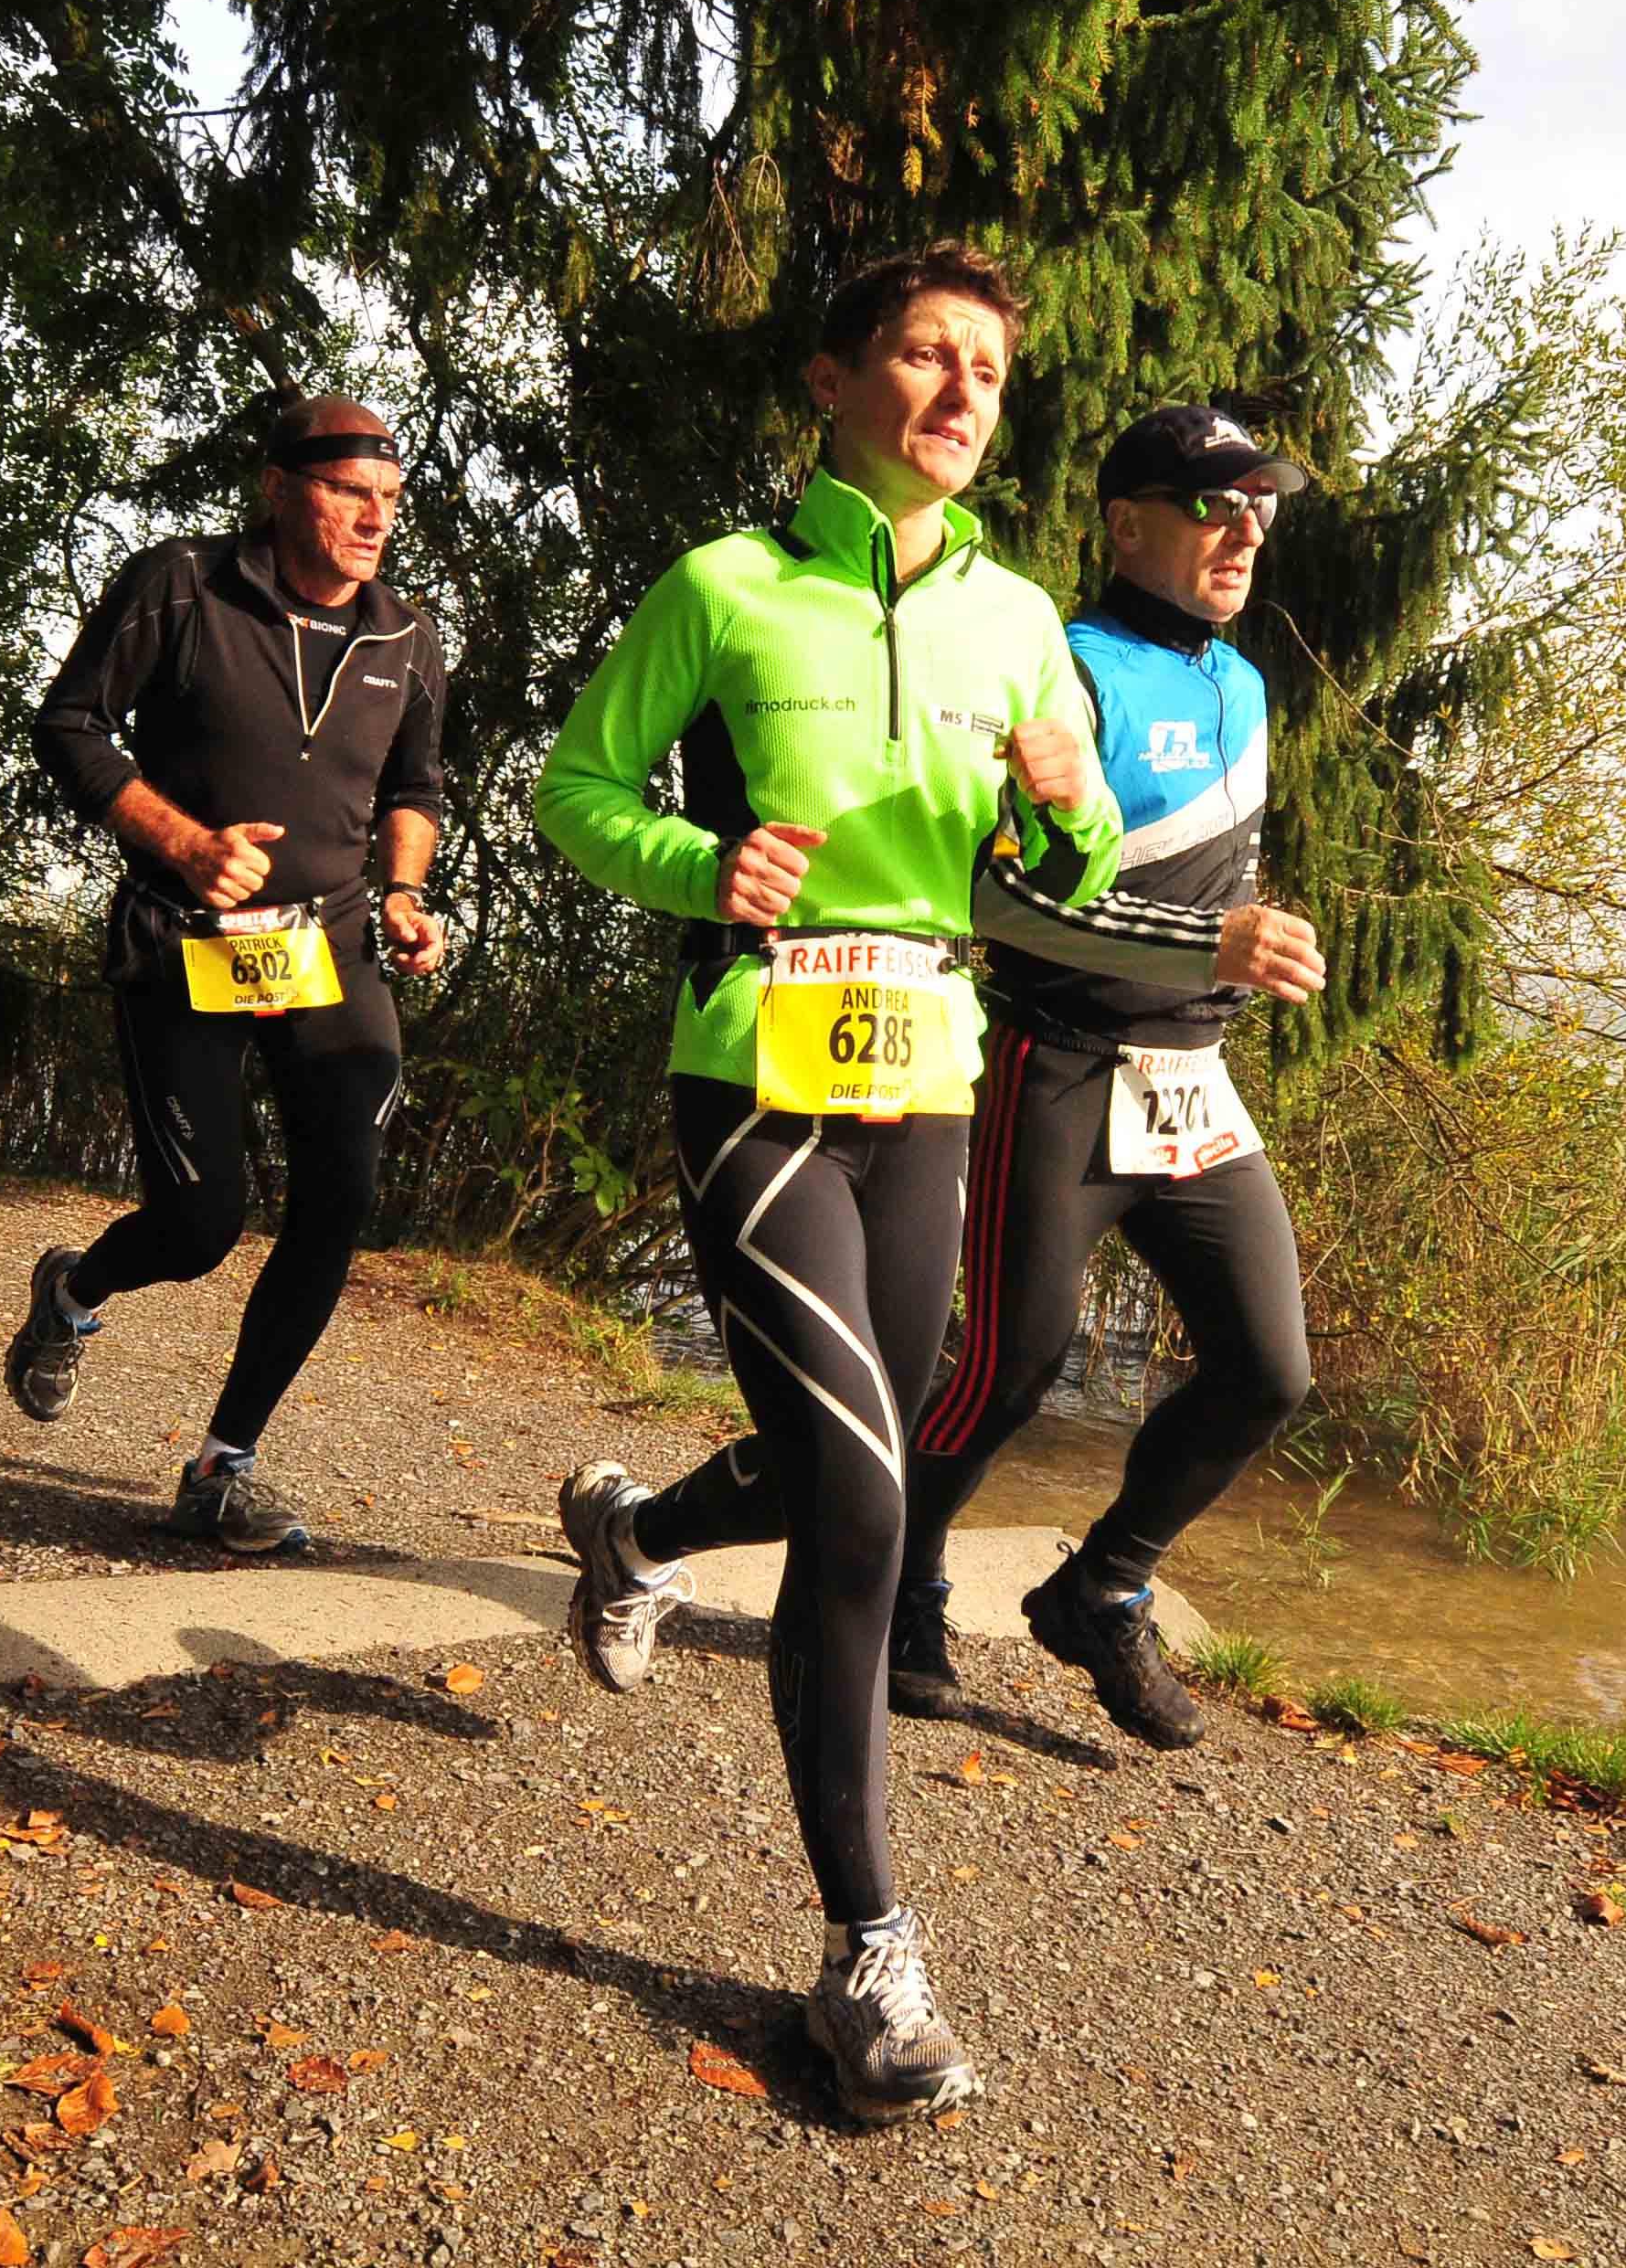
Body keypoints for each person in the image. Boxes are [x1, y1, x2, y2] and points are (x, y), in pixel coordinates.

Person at [536, 242, 1121, 2124]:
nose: (961, 393)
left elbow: (1073, 849)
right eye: (926, 356)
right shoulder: (724, 585)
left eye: (987, 373)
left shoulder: (1022, 620)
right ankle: (867, 1953)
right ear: (834, 378)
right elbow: (570, 790)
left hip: (924, 1065)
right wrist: (705, 865)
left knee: (842, 1450)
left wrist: (1061, 795)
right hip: (757, 1064)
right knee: (862, 1486)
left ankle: (627, 1534)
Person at [557, 402, 1328, 1760]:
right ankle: (897, 1581)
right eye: (1216, 503)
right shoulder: (1061, 653)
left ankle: (1102, 1587)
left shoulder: (1246, 683)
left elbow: (1151, 859)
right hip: (1052, 1056)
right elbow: (992, 893)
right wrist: (1197, 938)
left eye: (1263, 503)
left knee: (1269, 1367)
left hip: (1191, 1073)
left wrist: (1216, 956)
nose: (1245, 528)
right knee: (1006, 1368)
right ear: (1127, 520)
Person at [8, 396, 452, 1555]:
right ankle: (73, 1291)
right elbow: (71, 726)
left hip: (331, 945)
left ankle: (223, 1464)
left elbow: (415, 789)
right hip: (180, 940)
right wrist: (186, 844)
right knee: (203, 1222)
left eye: (389, 499)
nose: (374, 519)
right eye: (350, 492)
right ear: (278, 488)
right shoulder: (181, 586)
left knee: (340, 1198)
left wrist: (404, 893)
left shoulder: (407, 634)